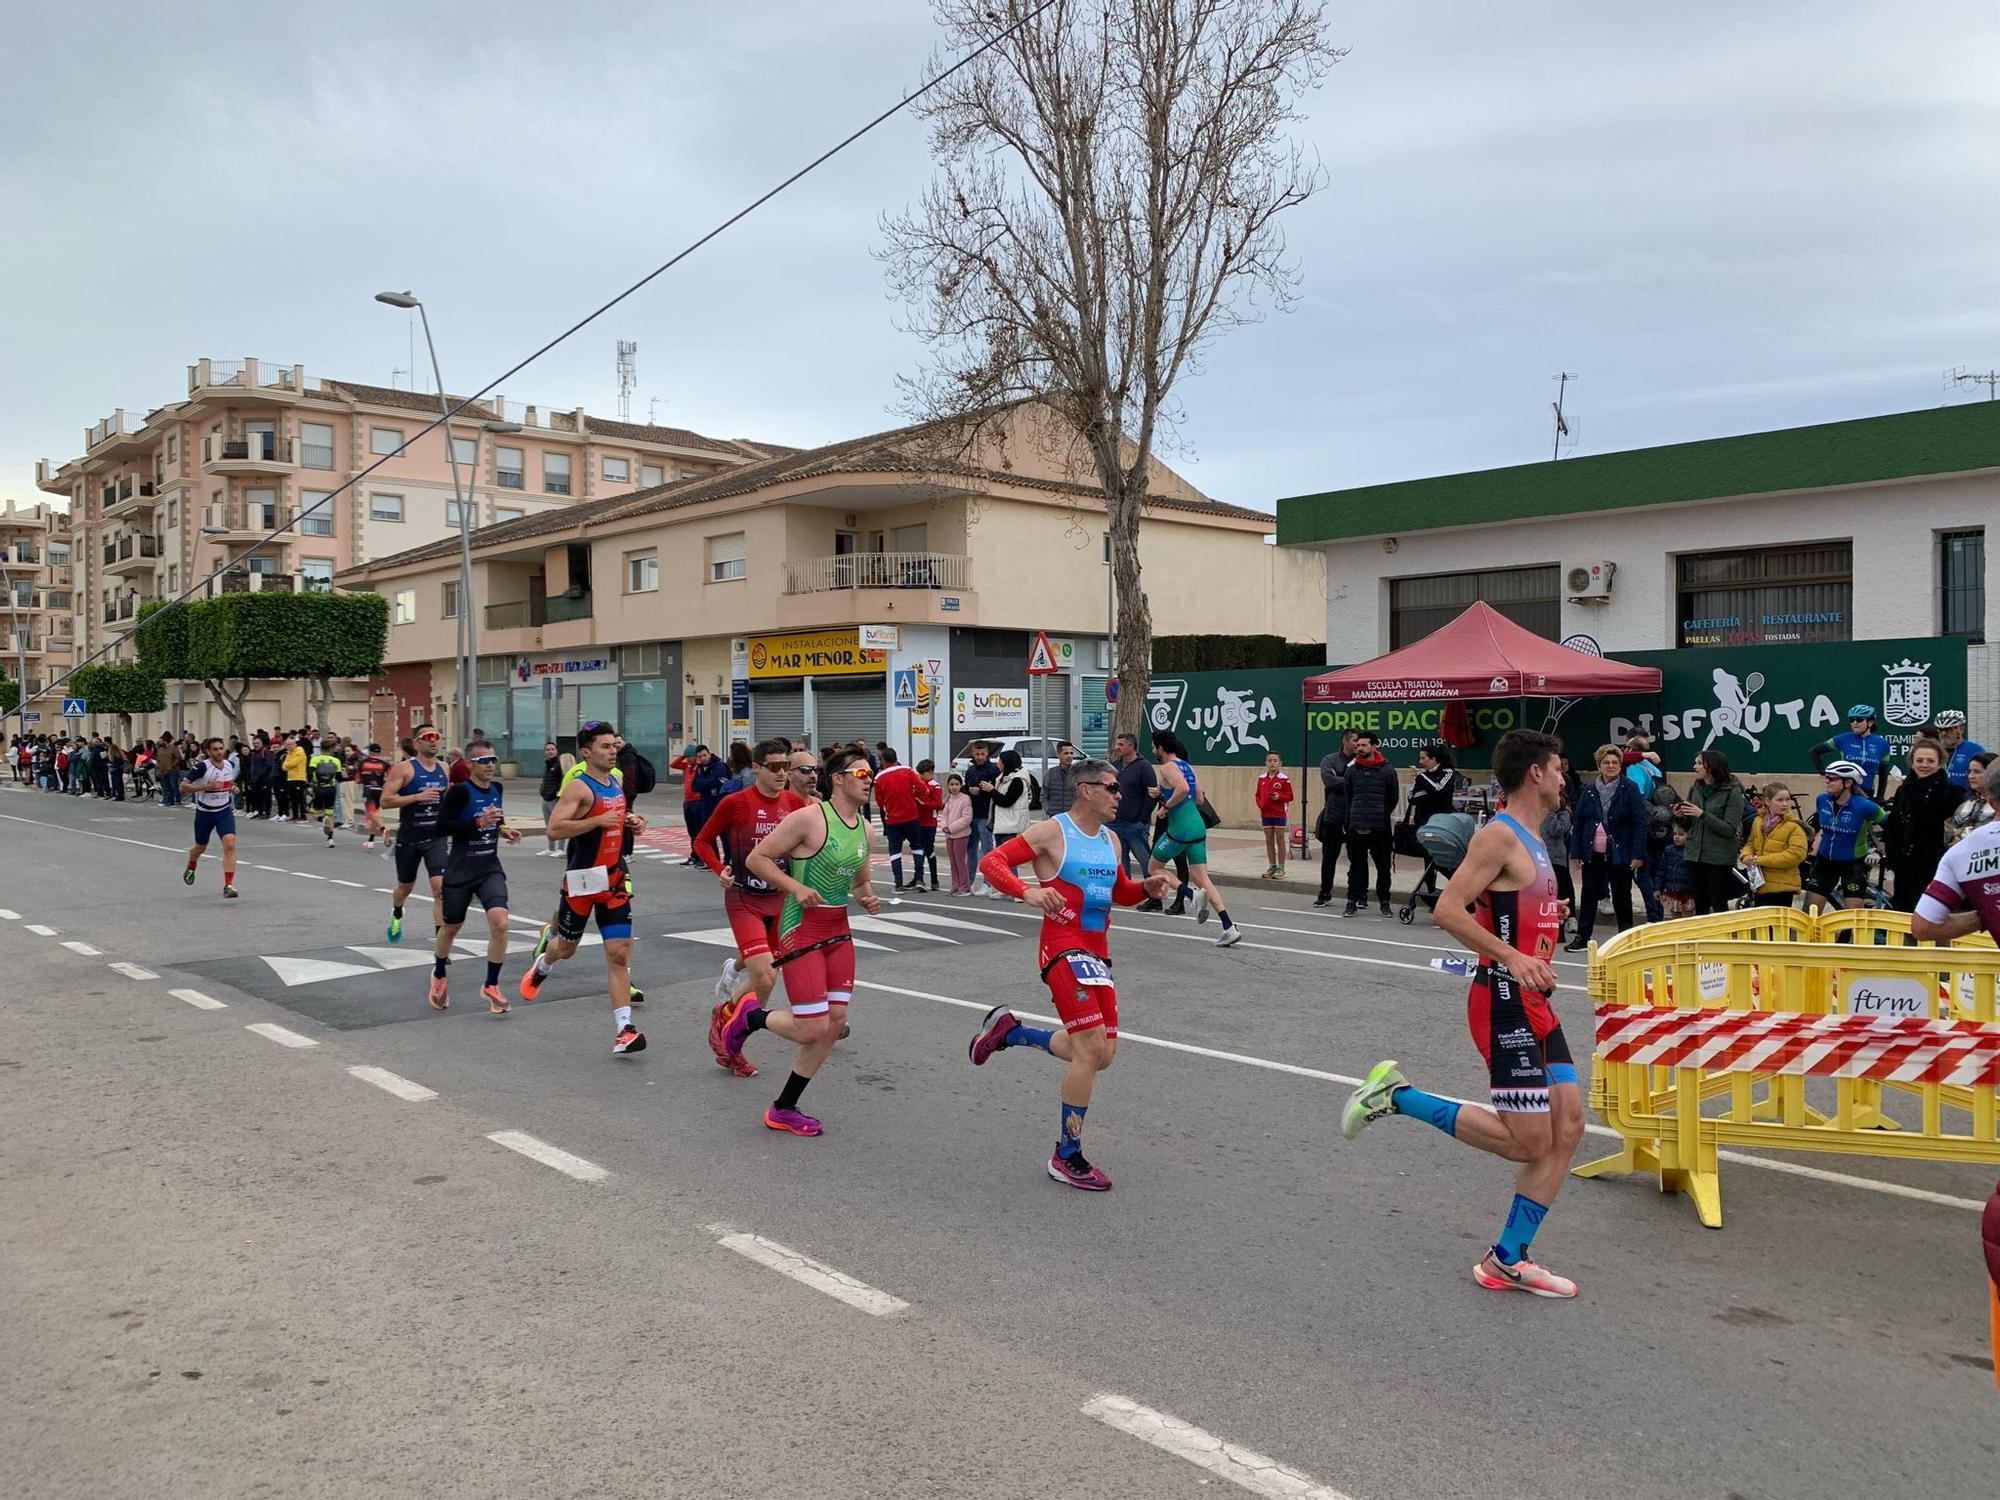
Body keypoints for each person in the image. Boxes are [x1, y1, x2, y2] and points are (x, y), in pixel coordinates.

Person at [1343, 729, 1583, 1299]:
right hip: (1503, 1002)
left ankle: (1507, 1259)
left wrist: (1549, 913)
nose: (1563, 776)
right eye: (1558, 767)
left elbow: (1502, 907)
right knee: (1529, 1142)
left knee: (1568, 1128)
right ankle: (1395, 1096)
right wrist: (1512, 955)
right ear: (1535, 774)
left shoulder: (1534, 835)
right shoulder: (1499, 834)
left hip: (1536, 1003)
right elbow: (1447, 910)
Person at [968, 757, 1173, 1189]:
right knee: (1089, 1049)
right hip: (1061, 948)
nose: (1121, 795)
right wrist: (1028, 890)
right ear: (1087, 790)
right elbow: (992, 863)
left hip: (1098, 952)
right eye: (1113, 788)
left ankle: (1010, 1033)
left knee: (1103, 1055)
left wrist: (1145, 888)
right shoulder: (1052, 832)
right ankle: (1067, 1154)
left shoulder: (1112, 841)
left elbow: (1119, 893)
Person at [717, 748, 882, 1135]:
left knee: (834, 1022)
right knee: (811, 1028)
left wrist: (866, 896)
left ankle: (784, 1107)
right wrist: (795, 887)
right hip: (801, 931)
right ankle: (751, 1017)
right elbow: (758, 858)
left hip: (838, 932)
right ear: (838, 778)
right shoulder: (808, 819)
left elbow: (858, 881)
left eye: (870, 772)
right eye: (860, 771)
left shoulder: (866, 828)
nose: (868, 778)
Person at [519, 721, 649, 1055]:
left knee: (619, 952)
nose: (613, 751)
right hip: (582, 879)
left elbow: (615, 814)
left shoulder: (616, 780)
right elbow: (554, 828)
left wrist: (631, 819)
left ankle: (625, 1029)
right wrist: (595, 821)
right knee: (566, 949)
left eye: (614, 746)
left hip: (614, 877)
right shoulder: (578, 786)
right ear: (586, 751)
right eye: (605, 746)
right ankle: (543, 966)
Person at [698, 739, 807, 1079]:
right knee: (764, 974)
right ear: (756, 768)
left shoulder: (794, 802)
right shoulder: (735, 803)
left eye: (785, 766)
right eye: (774, 766)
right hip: (744, 898)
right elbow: (702, 840)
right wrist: (721, 870)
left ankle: (727, 1020)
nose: (781, 773)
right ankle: (732, 1040)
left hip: (781, 900)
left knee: (765, 985)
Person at [427, 739, 520, 1015]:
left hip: (488, 866)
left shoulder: (497, 789)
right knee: (451, 927)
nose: (491, 765)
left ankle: (491, 984)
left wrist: (503, 829)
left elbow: (494, 818)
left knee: (500, 923)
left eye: (493, 759)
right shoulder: (459, 793)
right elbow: (441, 827)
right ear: (469, 764)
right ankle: (440, 972)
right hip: (460, 869)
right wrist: (477, 823)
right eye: (484, 761)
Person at [1146, 729, 1241, 947]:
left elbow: (1182, 788)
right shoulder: (1186, 766)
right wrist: (1162, 793)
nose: (1153, 750)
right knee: (1201, 877)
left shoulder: (1167, 767)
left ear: (1160, 748)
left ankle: (1191, 895)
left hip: (1181, 829)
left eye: (1154, 747)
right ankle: (1228, 926)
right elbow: (1198, 797)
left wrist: (1165, 808)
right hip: (1197, 827)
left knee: (1154, 867)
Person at [1565, 744, 1649, 950]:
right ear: (1599, 765)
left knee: (1622, 896)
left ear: (1620, 765)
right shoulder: (1590, 791)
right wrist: (1576, 852)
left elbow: (1640, 822)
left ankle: (1626, 939)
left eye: (1615, 762)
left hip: (1621, 853)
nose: (1611, 766)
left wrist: (1637, 853)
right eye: (1606, 763)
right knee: (1589, 896)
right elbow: (1580, 822)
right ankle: (1582, 937)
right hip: (1593, 853)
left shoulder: (1629, 788)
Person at [380, 723, 452, 943]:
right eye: (427, 736)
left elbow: (447, 799)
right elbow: (385, 800)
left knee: (440, 889)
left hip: (436, 837)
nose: (433, 740)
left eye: (436, 736)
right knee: (405, 887)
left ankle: (440, 946)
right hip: (410, 838)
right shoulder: (404, 768)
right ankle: (397, 911)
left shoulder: (444, 767)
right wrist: (416, 797)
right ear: (417, 742)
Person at [1803, 759, 1887, 914]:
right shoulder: (1822, 800)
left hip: (1853, 862)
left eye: (1832, 778)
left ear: (1848, 782)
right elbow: (1821, 830)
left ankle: (1857, 938)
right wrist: (1810, 853)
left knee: (1854, 914)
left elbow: (1892, 826)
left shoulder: (1865, 806)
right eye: (1826, 777)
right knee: (1810, 911)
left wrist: (1878, 849)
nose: (1827, 781)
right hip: (1825, 862)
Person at [1883, 738, 1958, 912]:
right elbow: (1894, 826)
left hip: (1935, 866)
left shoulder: (1951, 793)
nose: (1924, 765)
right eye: (1919, 760)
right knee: (1904, 917)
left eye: (1930, 761)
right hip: (1904, 866)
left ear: (1940, 763)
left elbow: (1954, 834)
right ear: (1912, 762)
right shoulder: (1903, 790)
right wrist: (1892, 854)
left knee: (1933, 915)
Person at [1673, 749, 1745, 916]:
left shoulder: (1733, 792)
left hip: (1718, 858)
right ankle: (1702, 940)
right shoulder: (1696, 788)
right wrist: (1679, 817)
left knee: (1718, 903)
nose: (1694, 766)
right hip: (1694, 854)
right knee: (1700, 903)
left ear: (1711, 766)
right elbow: (1690, 824)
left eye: (1699, 763)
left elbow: (1729, 829)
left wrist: (1702, 814)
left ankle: (1722, 939)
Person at [1341, 730, 1399, 917]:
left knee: (1383, 867)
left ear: (1374, 746)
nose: (1360, 749)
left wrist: (1380, 815)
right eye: (1357, 746)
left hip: (1379, 827)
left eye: (1364, 745)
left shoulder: (1387, 770)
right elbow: (1349, 797)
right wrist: (1350, 821)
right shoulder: (1351, 770)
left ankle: (1384, 902)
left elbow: (1393, 798)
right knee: (1356, 867)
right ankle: (1352, 901)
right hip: (1356, 824)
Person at [179, 736, 242, 899]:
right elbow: (183, 786)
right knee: (200, 848)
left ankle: (228, 885)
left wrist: (234, 788)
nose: (219, 752)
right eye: (215, 749)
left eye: (221, 748)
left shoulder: (229, 764)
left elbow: (229, 783)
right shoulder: (201, 768)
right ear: (208, 751)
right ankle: (191, 865)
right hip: (205, 813)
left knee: (229, 844)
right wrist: (206, 786)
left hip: (223, 812)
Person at [1740, 784, 1808, 908]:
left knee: (1777, 924)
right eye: (1780, 800)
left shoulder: (1793, 826)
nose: (1785, 804)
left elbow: (1796, 854)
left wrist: (1759, 860)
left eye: (1787, 800)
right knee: (1762, 923)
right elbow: (1750, 843)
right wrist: (1746, 855)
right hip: (1760, 883)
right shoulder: (1758, 821)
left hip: (1783, 885)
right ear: (1767, 801)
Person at [1407, 744, 1458, 903]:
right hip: (1423, 823)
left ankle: (1460, 886)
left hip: (1442, 824)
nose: (1421, 762)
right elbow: (1412, 797)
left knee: (1441, 860)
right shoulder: (1424, 777)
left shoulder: (1446, 773)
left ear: (1433, 759)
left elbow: (1439, 790)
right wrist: (1425, 786)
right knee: (1428, 859)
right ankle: (1429, 895)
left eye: (1423, 758)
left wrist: (1421, 779)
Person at [1314, 729, 1359, 909]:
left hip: (1354, 815)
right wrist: (1349, 780)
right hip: (1333, 816)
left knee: (1356, 857)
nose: (1358, 744)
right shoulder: (1329, 759)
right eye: (1355, 740)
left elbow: (1361, 782)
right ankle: (1325, 893)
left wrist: (1341, 778)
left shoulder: (1361, 761)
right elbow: (1330, 782)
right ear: (1345, 741)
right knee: (1329, 857)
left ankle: (1357, 895)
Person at [872, 747, 926, 892]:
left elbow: (879, 801)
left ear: (882, 761)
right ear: (896, 758)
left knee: (895, 851)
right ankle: (919, 878)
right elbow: (922, 789)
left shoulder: (879, 777)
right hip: (912, 815)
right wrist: (912, 795)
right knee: (917, 846)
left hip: (893, 819)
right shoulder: (907, 770)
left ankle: (898, 884)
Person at [1810, 706, 1891, 802]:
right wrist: (1825, 773)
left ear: (1870, 722)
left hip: (1867, 793)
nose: (1855, 723)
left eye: (1859, 720)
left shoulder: (1882, 743)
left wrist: (1880, 796)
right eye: (1852, 720)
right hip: (1845, 791)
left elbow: (1883, 773)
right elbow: (1814, 752)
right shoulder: (1842, 739)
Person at [987, 749, 1037, 897]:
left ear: (1007, 762)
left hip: (1011, 824)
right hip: (1002, 823)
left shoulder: (1017, 780)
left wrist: (992, 791)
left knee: (1009, 859)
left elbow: (1007, 801)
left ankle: (1015, 890)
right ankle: (1005, 889)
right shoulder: (1003, 777)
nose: (998, 763)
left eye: (1000, 761)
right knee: (1003, 860)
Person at [1107, 733, 1157, 881]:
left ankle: (1154, 893)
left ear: (1131, 746)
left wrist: (1142, 819)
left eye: (1121, 745)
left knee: (1144, 859)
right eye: (1118, 744)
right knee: (1120, 860)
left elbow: (1151, 795)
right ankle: (1125, 888)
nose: (1117, 748)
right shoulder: (1114, 766)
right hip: (1115, 822)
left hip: (1135, 824)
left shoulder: (1144, 767)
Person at [963, 741, 1001, 890]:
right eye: (977, 754)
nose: (980, 757)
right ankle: (969, 881)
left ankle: (988, 882)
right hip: (972, 814)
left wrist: (986, 790)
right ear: (972, 753)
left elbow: (997, 791)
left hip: (986, 814)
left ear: (987, 754)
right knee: (971, 849)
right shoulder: (970, 770)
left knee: (987, 849)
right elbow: (965, 787)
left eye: (982, 754)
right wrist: (968, 790)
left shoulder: (993, 770)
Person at [1254, 751, 1295, 879]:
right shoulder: (1261, 779)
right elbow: (1258, 795)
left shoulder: (1284, 779)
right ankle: (1272, 865)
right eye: (1270, 761)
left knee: (1280, 839)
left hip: (1279, 813)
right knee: (1269, 840)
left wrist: (1279, 797)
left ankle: (1281, 867)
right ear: (1266, 763)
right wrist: (1261, 804)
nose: (1272, 763)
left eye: (1275, 761)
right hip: (1266, 814)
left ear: (1280, 763)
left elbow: (1290, 796)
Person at [1950, 752, 1999, 845]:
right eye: (1969, 771)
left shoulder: (1998, 806)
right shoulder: (1965, 805)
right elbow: (1949, 835)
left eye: (1977, 772)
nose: (1970, 776)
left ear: (1992, 774)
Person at [912, 758, 944, 892]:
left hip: (929, 823)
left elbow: (938, 804)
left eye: (922, 773)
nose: (920, 776)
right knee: (917, 849)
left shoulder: (935, 786)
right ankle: (918, 878)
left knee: (929, 850)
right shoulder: (918, 785)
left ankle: (934, 879)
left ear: (930, 772)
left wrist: (923, 804)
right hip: (917, 821)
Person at [1935, 711, 1988, 790]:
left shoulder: (1975, 750)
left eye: (1948, 729)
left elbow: (1986, 777)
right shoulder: (1932, 750)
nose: (1943, 734)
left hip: (1967, 799)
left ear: (1961, 729)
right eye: (1940, 730)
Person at [308, 738, 344, 849]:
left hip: (319, 789)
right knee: (330, 815)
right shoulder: (336, 761)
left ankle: (321, 819)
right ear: (331, 749)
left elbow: (310, 773)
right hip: (331, 789)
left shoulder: (315, 759)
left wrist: (309, 784)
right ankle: (330, 839)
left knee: (312, 811)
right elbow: (339, 777)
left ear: (321, 748)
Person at [940, 772, 974, 893]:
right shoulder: (948, 799)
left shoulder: (965, 799)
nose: (954, 787)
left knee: (960, 861)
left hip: (961, 834)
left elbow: (966, 818)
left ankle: (964, 887)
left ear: (961, 785)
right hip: (949, 835)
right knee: (952, 862)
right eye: (951, 784)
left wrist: (951, 827)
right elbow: (944, 815)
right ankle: (955, 885)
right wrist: (944, 826)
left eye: (956, 784)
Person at [536, 740, 571, 856]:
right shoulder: (547, 763)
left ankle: (561, 849)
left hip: (555, 799)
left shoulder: (560, 764)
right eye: (548, 750)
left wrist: (559, 795)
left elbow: (565, 780)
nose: (550, 751)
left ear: (556, 751)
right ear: (545, 752)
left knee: (559, 824)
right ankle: (550, 848)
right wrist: (542, 790)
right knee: (549, 825)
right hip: (545, 798)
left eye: (552, 749)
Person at [355, 742, 391, 851]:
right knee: (374, 815)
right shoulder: (385, 765)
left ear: (369, 751)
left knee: (372, 813)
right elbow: (389, 779)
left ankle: (383, 828)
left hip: (368, 789)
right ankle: (371, 841)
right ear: (379, 753)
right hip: (379, 790)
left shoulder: (362, 763)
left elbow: (357, 780)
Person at [1655, 826, 1694, 919]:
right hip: (1672, 892)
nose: (1677, 837)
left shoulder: (1691, 851)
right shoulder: (1668, 851)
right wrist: (1657, 888)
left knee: (1688, 919)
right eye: (1675, 834)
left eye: (1681, 835)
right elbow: (1661, 871)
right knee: (1675, 919)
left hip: (1687, 893)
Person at [1042, 743, 1077, 819]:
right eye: (1066, 753)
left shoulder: (1077, 774)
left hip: (1073, 817)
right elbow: (1043, 795)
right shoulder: (1050, 773)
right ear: (1058, 755)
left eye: (1071, 753)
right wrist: (1049, 810)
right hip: (1055, 817)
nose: (1069, 756)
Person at [280, 734, 308, 821]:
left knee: (300, 798)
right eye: (287, 745)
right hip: (290, 778)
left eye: (291, 744)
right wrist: (288, 764)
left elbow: (293, 763)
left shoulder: (300, 751)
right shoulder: (288, 753)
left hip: (299, 778)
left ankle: (303, 816)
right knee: (293, 799)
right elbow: (284, 766)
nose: (289, 746)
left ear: (295, 744)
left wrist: (288, 764)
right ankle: (295, 815)